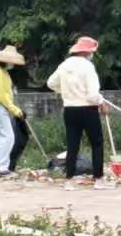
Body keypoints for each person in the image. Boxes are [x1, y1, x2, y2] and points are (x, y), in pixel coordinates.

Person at [47, 36, 112, 191]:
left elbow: (50, 83)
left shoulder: (64, 65)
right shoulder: (88, 66)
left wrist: (65, 91)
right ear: (87, 52)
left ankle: (69, 180)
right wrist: (101, 102)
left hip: (70, 109)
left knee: (72, 144)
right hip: (88, 109)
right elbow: (92, 94)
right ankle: (98, 180)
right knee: (96, 144)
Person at [0, 46, 26, 177]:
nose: (12, 64)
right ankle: (1, 168)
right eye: (11, 62)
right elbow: (1, 94)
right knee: (7, 137)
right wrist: (15, 110)